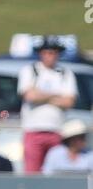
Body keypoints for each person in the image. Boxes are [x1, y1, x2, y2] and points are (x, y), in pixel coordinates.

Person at [17, 35, 78, 173]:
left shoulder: (65, 73)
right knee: (32, 171)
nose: (51, 56)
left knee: (55, 171)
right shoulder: (30, 70)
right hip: (33, 129)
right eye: (47, 52)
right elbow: (29, 96)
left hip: (57, 129)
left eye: (54, 52)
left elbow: (69, 101)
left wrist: (41, 94)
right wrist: (56, 95)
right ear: (41, 53)